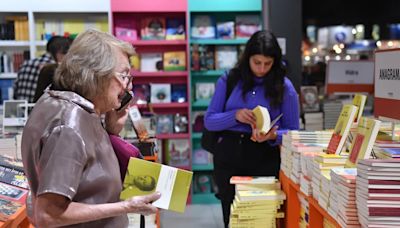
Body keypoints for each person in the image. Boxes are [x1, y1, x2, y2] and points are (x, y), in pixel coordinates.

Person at [21, 29, 161, 227]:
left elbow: (87, 172)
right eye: (124, 76)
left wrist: (111, 129)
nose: (128, 88)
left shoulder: (62, 102)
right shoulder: (70, 124)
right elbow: (49, 214)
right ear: (98, 75)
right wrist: (126, 207)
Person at [204, 30, 300, 228]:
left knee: (261, 218)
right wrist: (235, 115)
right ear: (247, 58)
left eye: (268, 63)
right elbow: (210, 121)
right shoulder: (229, 79)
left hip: (264, 157)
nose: (262, 69)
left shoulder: (285, 87)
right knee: (232, 217)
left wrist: (274, 135)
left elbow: (293, 131)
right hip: (229, 155)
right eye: (257, 62)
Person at [13, 36, 71, 103]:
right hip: (39, 110)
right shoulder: (53, 69)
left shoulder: (25, 64)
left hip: (22, 110)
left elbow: (15, 92)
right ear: (60, 54)